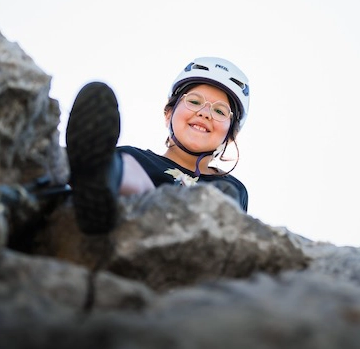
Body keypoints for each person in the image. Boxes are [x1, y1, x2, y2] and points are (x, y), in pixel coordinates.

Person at [65, 56, 250, 235]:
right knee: (125, 163)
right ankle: (98, 180)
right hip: (132, 219)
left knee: (223, 197)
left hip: (191, 238)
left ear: (229, 135)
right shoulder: (133, 159)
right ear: (168, 114)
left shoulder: (232, 188)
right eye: (194, 101)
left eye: (220, 111)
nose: (205, 113)